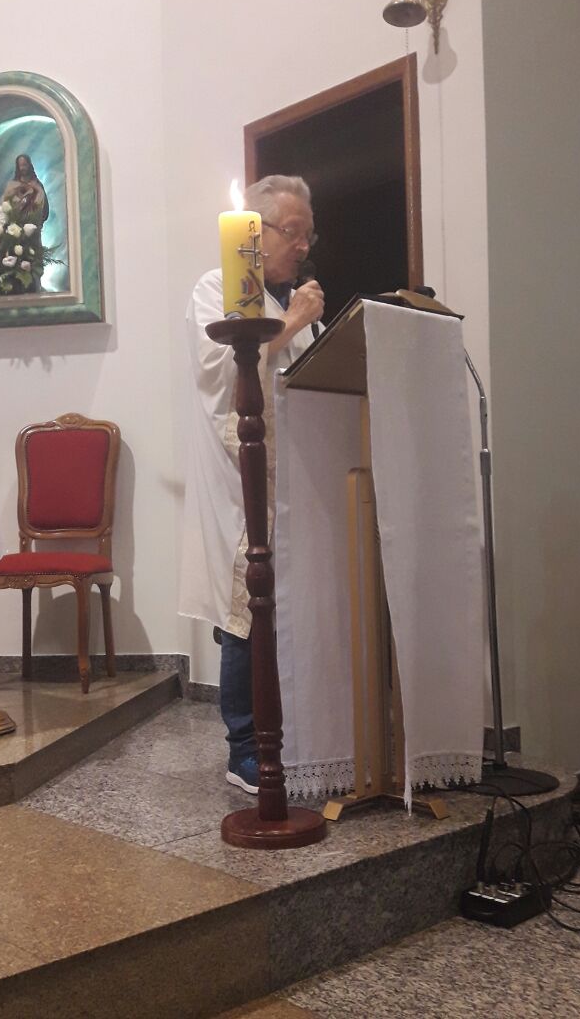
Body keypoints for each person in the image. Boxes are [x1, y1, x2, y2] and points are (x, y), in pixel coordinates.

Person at [179, 175, 324, 794]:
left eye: (309, 235)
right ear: (256, 234)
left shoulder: (288, 304)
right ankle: (244, 747)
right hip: (241, 478)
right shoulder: (217, 289)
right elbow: (224, 374)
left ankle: (293, 731)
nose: (304, 247)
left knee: (283, 607)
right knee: (245, 610)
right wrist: (290, 322)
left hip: (298, 481)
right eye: (294, 232)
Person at [2, 154, 49, 225]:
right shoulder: (12, 185)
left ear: (29, 165)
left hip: (33, 226)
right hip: (15, 226)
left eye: (24, 165)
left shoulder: (37, 185)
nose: (22, 168)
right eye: (20, 165)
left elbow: (44, 208)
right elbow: (6, 205)